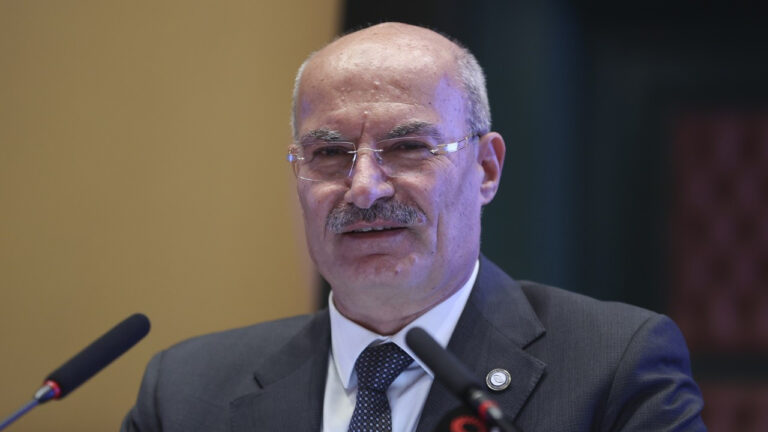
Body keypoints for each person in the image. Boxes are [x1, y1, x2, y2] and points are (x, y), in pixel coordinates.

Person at [122, 22, 706, 431]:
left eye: (407, 148)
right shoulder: (185, 392)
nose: (364, 188)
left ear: (486, 168)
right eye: (329, 154)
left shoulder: (613, 367)